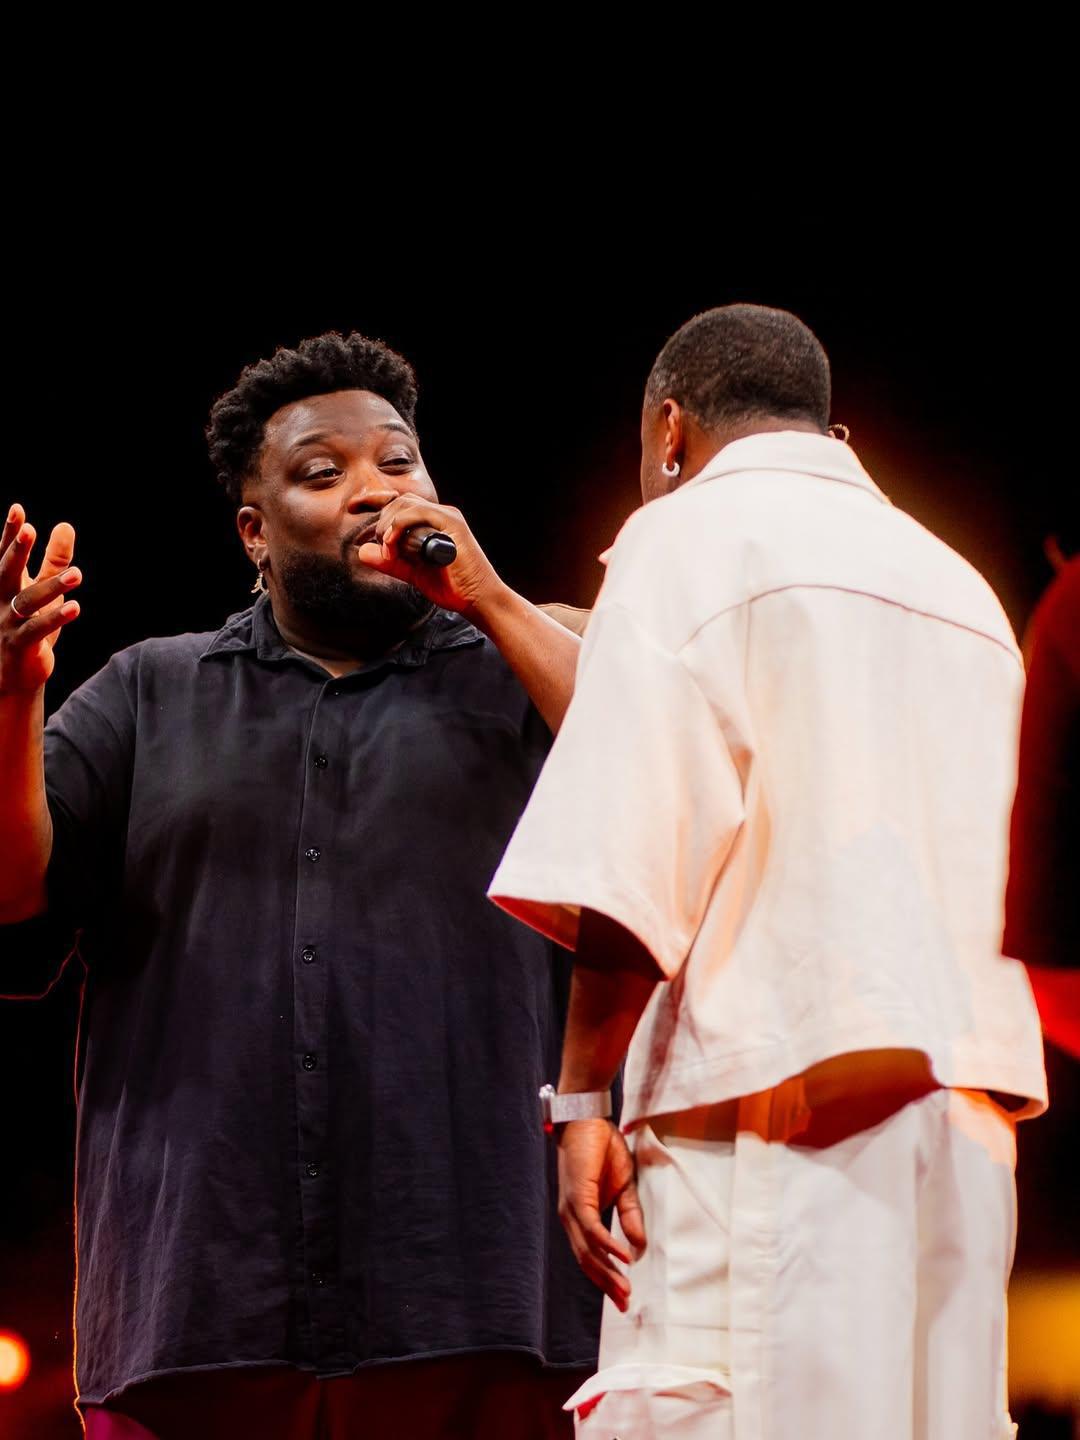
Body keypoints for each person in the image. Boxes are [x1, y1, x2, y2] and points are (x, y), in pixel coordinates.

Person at [0, 331, 601, 1439]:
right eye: (324, 474)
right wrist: (12, 698)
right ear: (254, 531)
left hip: (484, 1303)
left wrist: (491, 601)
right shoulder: (147, 692)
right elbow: (11, 900)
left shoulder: (525, 663)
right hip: (198, 1315)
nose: (373, 490)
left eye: (398, 462)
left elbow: (655, 761)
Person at [489, 304, 1048, 1439]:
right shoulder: (964, 587)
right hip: (969, 1135)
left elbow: (635, 844)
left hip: (767, 1114)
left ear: (670, 430)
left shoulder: (684, 536)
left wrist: (583, 1101)